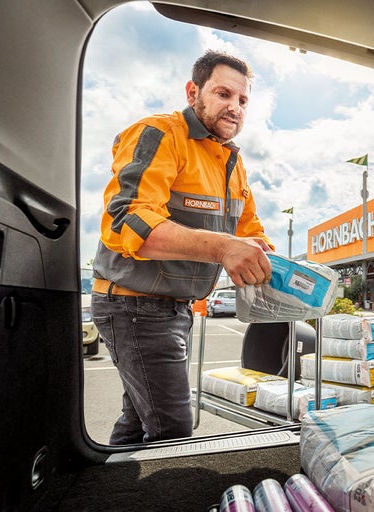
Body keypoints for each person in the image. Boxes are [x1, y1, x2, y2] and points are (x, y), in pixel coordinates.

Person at [91, 51, 274, 445]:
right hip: (134, 306)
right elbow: (128, 220)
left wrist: (278, 269)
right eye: (223, 94)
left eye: (242, 101)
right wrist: (224, 248)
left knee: (139, 419)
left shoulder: (230, 161)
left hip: (176, 309)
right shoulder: (159, 133)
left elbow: (250, 231)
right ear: (194, 92)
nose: (235, 107)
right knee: (173, 429)